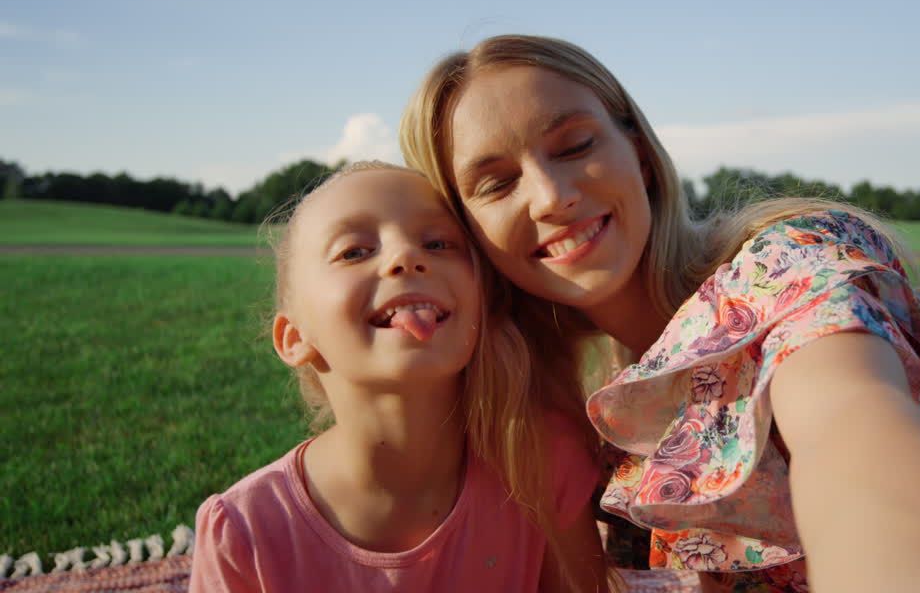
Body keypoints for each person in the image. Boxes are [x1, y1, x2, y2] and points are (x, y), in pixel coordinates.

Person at [399, 35, 920, 593]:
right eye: (496, 183)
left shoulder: (782, 266)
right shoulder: (587, 412)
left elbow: (850, 426)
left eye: (576, 146)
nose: (551, 195)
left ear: (639, 153)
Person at [189, 161, 609, 593]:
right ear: (294, 338)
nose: (406, 256)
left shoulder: (543, 466)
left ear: (483, 299)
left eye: (438, 243)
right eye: (354, 252)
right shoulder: (244, 532)